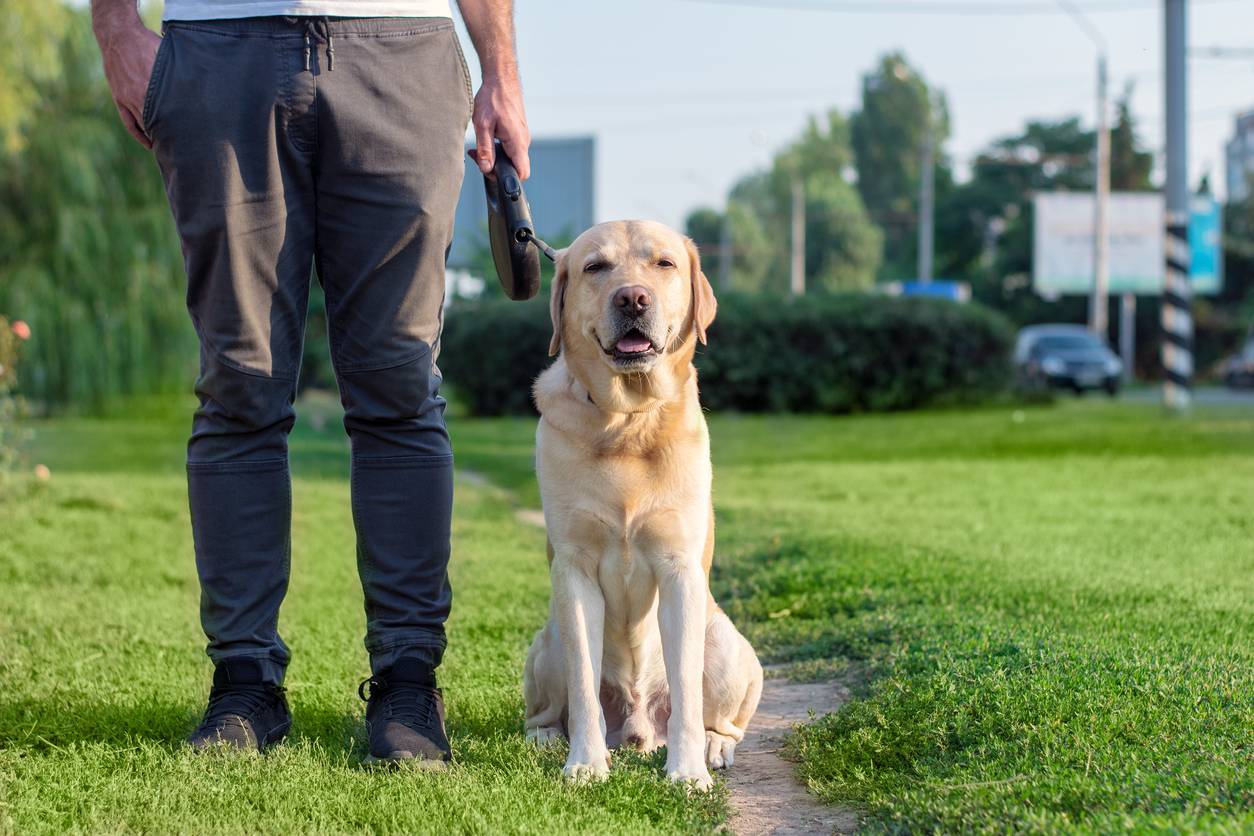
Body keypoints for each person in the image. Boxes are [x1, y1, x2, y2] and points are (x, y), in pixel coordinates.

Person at [89, 0, 530, 767]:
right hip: (220, 48)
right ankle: (244, 686)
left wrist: (501, 69)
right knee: (240, 385)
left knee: (399, 384)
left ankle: (407, 686)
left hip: (404, 47)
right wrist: (115, 26)